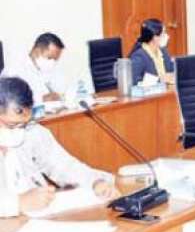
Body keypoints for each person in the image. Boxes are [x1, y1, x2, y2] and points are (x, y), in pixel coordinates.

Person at [0, 77, 117, 217]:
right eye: (12, 125)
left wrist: (95, 181)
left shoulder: (31, 131)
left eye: (25, 123)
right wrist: (18, 203)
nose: (20, 130)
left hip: (35, 218)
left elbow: (64, 165)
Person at [2, 32, 67, 105]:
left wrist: (58, 95)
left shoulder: (48, 69)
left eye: (55, 60)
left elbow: (60, 90)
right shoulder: (15, 69)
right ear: (38, 51)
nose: (52, 62)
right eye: (50, 58)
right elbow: (9, 100)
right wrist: (42, 99)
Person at [130, 18, 174, 85]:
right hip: (150, 91)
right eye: (163, 33)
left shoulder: (163, 51)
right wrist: (159, 80)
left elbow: (171, 69)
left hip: (166, 89)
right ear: (154, 37)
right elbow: (134, 81)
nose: (167, 36)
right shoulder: (139, 56)